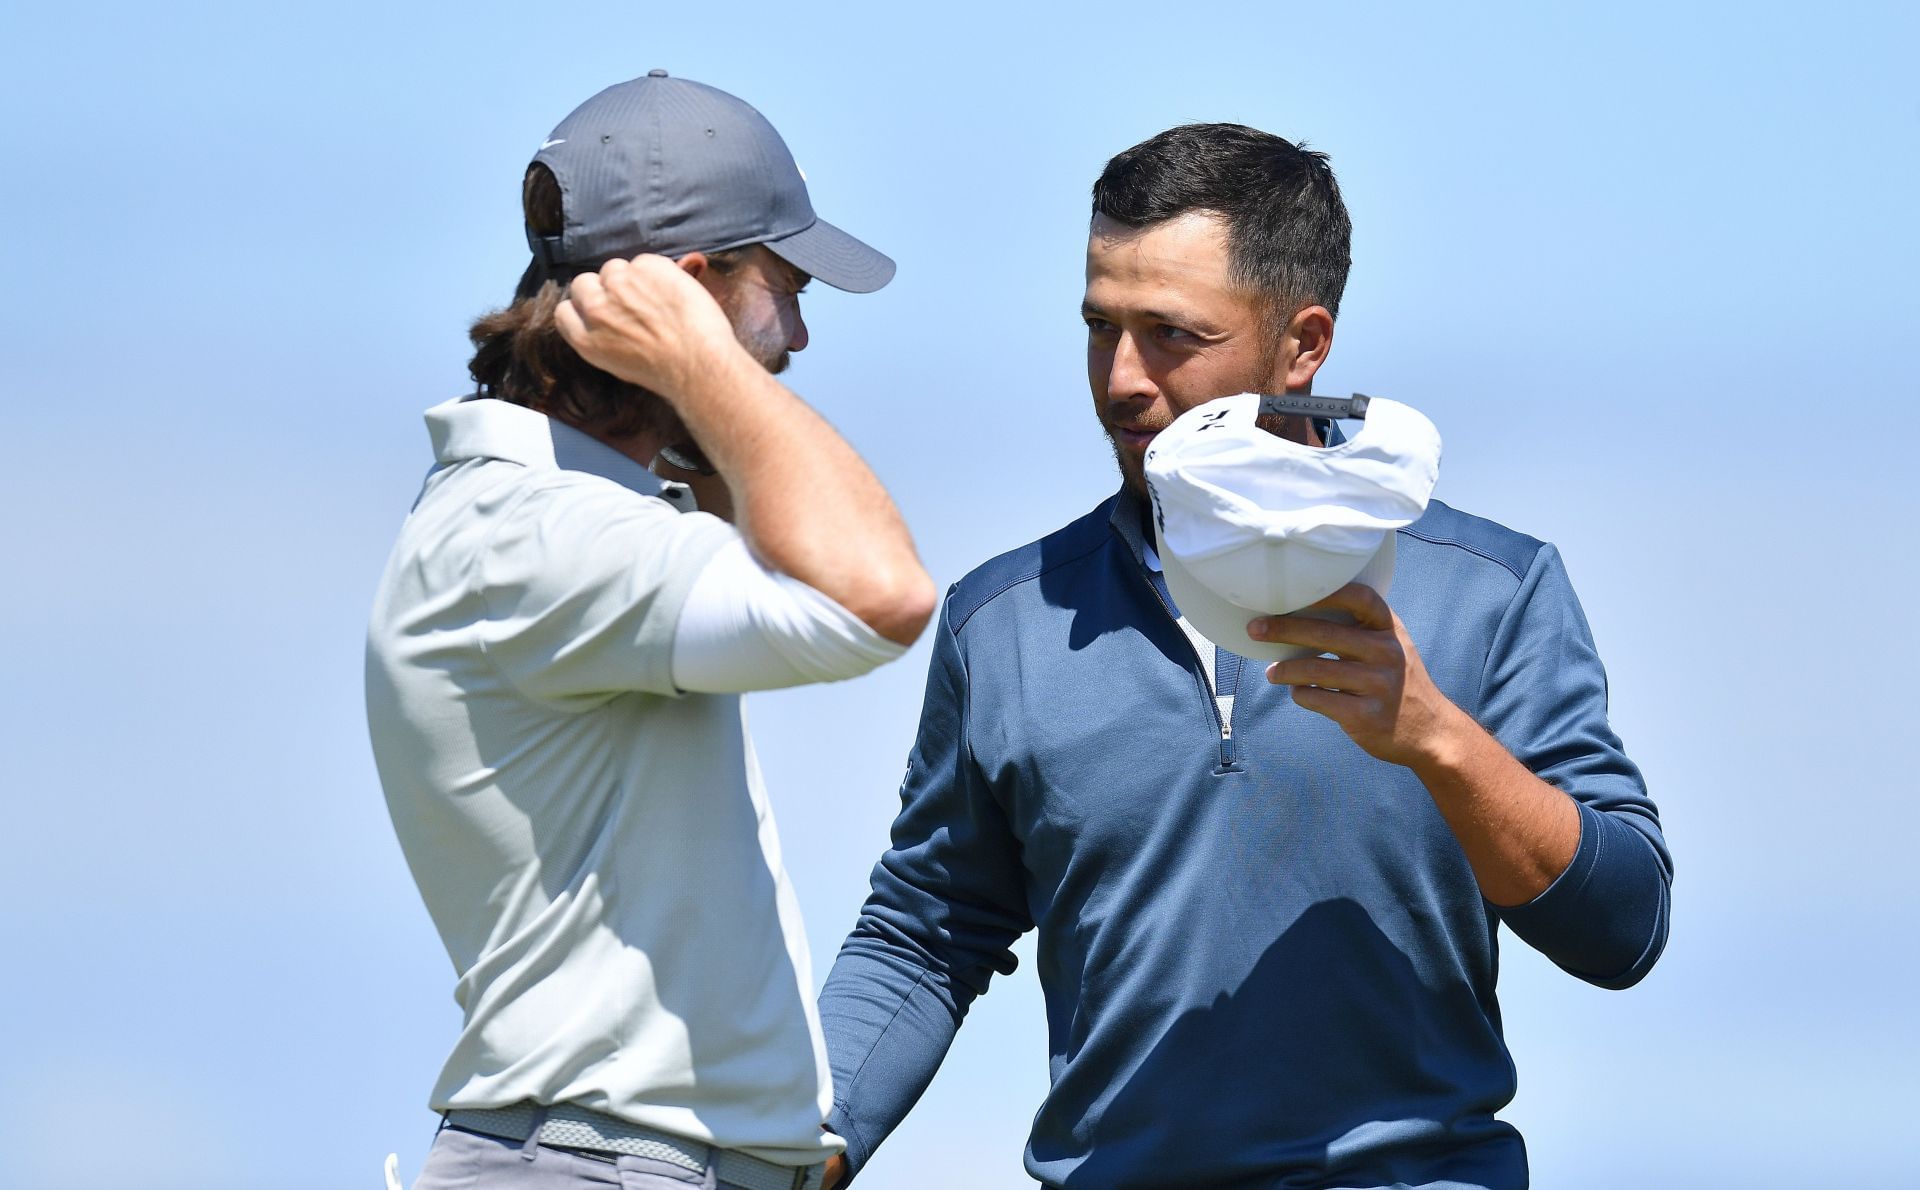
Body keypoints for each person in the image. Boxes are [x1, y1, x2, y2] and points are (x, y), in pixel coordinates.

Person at [816, 124, 1672, 1189]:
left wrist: (1441, 742)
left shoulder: (1493, 590)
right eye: (1099, 329)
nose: (1122, 379)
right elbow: (922, 933)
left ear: (1303, 343)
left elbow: (1624, 927)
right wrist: (806, 1135)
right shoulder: (1007, 620)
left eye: (1172, 334)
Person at [365, 71, 935, 1190]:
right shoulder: (538, 534)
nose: (803, 333)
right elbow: (878, 594)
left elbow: (788, 557)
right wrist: (703, 365)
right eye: (784, 283)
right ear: (688, 290)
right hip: (599, 1163)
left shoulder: (544, 521)